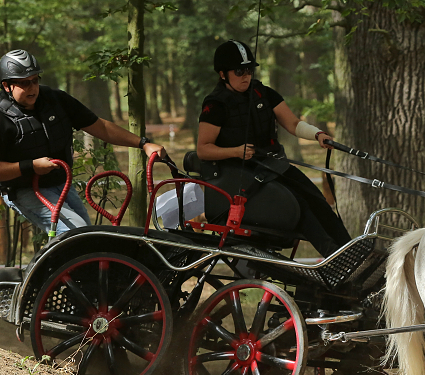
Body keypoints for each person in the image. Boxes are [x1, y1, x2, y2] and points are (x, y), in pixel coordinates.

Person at [196, 39, 351, 257]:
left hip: (274, 166)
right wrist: (235, 151)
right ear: (223, 74)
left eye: (249, 69)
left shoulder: (264, 93)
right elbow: (203, 149)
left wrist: (317, 134)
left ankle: (352, 253)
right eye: (239, 71)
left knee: (317, 200)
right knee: (298, 206)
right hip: (242, 177)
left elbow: (293, 123)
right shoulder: (215, 105)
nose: (246, 75)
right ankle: (335, 259)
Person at [0, 49, 166, 235]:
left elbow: (101, 127)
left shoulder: (55, 100)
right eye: (24, 83)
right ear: (7, 86)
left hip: (62, 184)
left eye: (35, 80)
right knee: (78, 236)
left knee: (87, 238)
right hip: (25, 190)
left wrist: (143, 143)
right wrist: (30, 166)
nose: (32, 87)